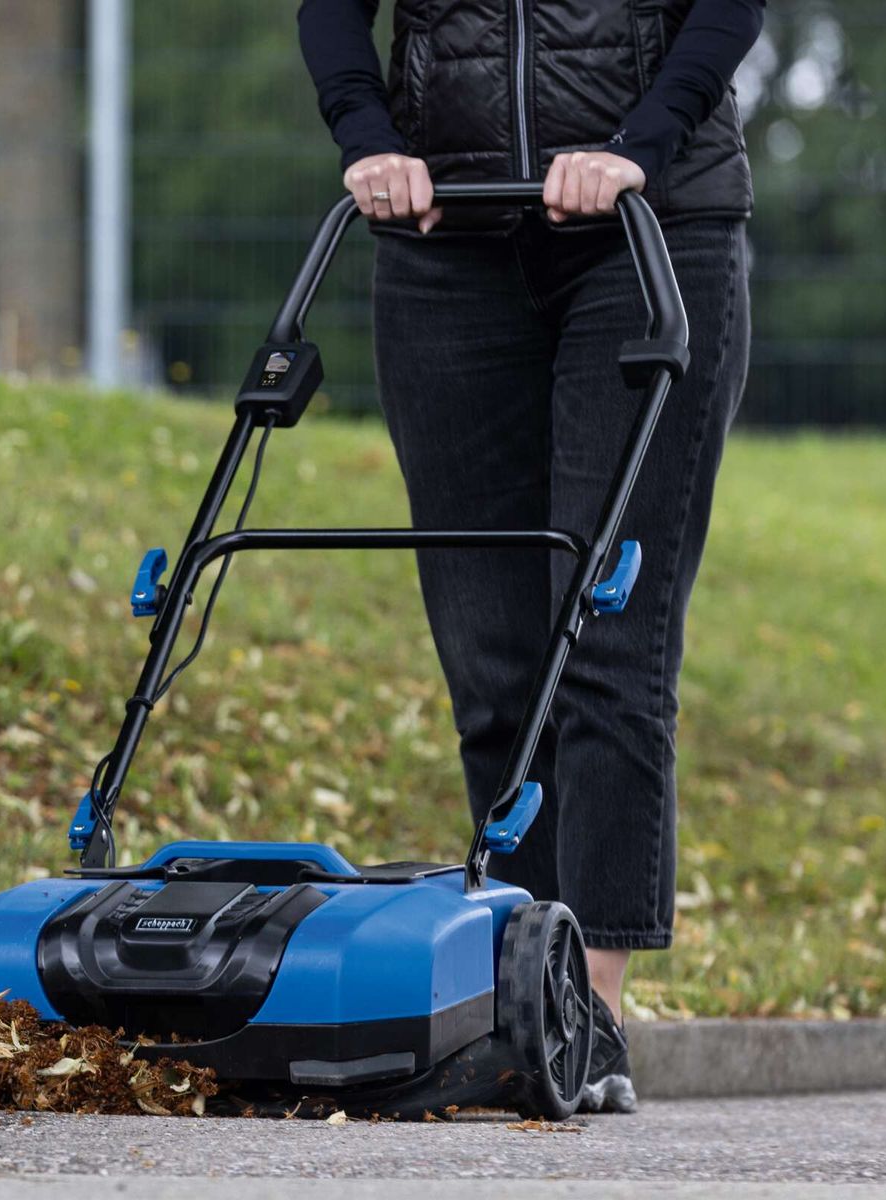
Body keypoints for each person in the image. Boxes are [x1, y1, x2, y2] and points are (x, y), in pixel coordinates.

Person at [298, 0, 765, 1112]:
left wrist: (634, 150)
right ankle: (522, 995)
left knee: (607, 632)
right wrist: (369, 138)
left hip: (649, 233)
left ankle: (589, 1015)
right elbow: (328, 14)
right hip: (444, 247)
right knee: (493, 657)